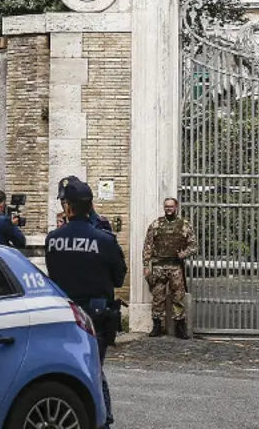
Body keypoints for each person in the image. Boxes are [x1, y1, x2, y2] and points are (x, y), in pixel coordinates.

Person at [45, 177, 125, 429]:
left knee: (67, 368)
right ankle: (103, 420)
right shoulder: (105, 240)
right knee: (93, 368)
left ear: (67, 207)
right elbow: (119, 277)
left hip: (66, 314)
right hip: (97, 315)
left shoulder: (53, 239)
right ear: (89, 206)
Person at [143, 196, 198, 338]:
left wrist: (183, 254)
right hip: (159, 267)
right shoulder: (156, 224)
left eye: (171, 206)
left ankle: (180, 327)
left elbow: (194, 246)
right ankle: (156, 326)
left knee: (178, 297)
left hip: (175, 267)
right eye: (166, 206)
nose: (168, 209)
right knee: (157, 297)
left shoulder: (184, 225)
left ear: (176, 207)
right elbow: (148, 246)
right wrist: (146, 265)